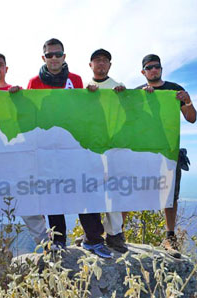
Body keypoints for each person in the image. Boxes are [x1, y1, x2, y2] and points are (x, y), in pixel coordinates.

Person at [26, 38, 113, 258]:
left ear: (64, 56)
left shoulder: (75, 79)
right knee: (54, 193)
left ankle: (93, 239)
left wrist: (91, 94)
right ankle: (58, 240)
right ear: (43, 57)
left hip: (74, 147)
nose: (54, 58)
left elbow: (82, 111)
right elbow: (28, 114)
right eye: (49, 55)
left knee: (84, 190)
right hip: (47, 148)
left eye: (58, 54)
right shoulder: (34, 82)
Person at [0, 53, 48, 245]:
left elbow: (32, 119)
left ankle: (46, 245)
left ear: (6, 69)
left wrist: (21, 98)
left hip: (15, 158)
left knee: (27, 201)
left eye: (1, 65)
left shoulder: (17, 92)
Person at [137, 54, 197, 258]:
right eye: (149, 67)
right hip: (142, 151)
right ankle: (116, 235)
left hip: (169, 151)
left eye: (157, 67)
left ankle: (170, 237)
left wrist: (187, 101)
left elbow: (191, 118)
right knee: (129, 191)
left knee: (170, 196)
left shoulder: (174, 90)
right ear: (143, 72)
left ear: (161, 69)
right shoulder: (138, 93)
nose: (154, 70)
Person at [85, 48, 128, 253]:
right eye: (97, 60)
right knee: (91, 189)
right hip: (89, 148)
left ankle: (115, 234)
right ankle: (92, 234)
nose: (101, 64)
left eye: (105, 61)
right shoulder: (84, 88)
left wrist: (125, 95)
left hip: (113, 148)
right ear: (90, 64)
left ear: (110, 65)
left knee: (113, 190)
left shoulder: (118, 87)